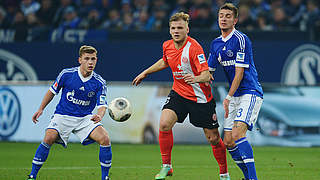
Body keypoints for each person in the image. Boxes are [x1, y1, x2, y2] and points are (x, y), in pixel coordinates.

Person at [132, 12, 230, 180]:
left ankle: (224, 174)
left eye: (180, 28)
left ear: (187, 29)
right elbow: (165, 61)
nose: (176, 31)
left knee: (213, 138)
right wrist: (145, 72)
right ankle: (167, 167)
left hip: (200, 99)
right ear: (170, 30)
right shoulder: (167, 45)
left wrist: (195, 78)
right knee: (164, 124)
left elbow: (207, 75)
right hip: (178, 93)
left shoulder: (194, 48)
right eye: (173, 28)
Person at [27, 45, 112, 180]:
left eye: (93, 59)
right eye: (87, 59)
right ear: (80, 60)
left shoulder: (99, 82)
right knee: (48, 138)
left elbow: (102, 104)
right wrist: (41, 108)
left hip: (85, 118)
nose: (90, 62)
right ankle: (32, 175)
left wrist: (99, 116)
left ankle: (105, 177)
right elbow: (52, 91)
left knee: (105, 138)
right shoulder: (67, 74)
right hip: (63, 115)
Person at [208, 3, 263, 180]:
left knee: (238, 133)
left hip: (249, 91)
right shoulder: (215, 44)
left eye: (228, 16)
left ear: (235, 20)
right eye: (221, 15)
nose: (224, 19)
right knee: (229, 141)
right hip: (235, 95)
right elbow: (208, 72)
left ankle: (253, 179)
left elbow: (239, 73)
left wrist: (228, 97)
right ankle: (248, 177)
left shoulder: (241, 39)